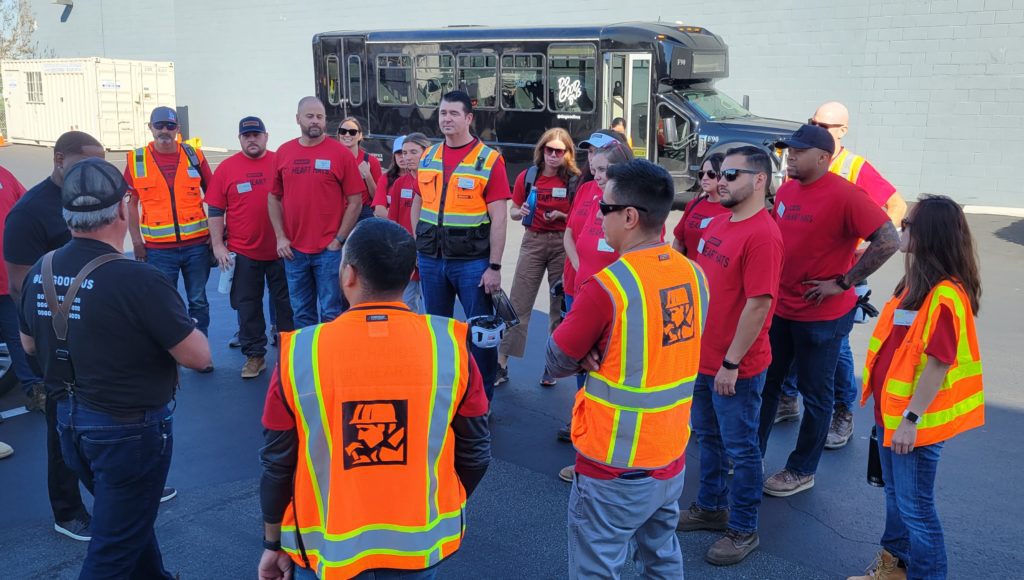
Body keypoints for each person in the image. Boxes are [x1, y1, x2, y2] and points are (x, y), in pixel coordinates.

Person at [257, 218, 491, 580]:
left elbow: (277, 463)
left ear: (348, 273)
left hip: (326, 551)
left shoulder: (300, 351)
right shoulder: (450, 347)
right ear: (411, 272)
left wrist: (274, 544)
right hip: (419, 546)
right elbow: (475, 451)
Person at [19, 158, 211, 577]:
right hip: (129, 431)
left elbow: (29, 344)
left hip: (70, 425)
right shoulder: (137, 279)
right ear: (124, 209)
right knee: (112, 550)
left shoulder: (41, 269)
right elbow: (199, 357)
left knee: (125, 520)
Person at [546, 159, 708, 579]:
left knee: (596, 567)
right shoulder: (693, 275)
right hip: (670, 455)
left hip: (614, 462)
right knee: (662, 557)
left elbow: (555, 359)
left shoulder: (608, 286)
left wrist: (586, 352)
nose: (599, 217)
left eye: (605, 208)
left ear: (630, 217)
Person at [757, 124, 899, 496]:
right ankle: (749, 456)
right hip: (782, 309)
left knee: (816, 395)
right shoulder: (787, 190)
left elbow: (888, 239)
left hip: (822, 317)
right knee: (768, 386)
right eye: (789, 150)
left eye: (799, 152)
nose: (790, 156)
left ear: (823, 158)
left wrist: (843, 282)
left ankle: (801, 470)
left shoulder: (846, 195)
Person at [848, 195, 983, 580]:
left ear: (930, 234)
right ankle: (894, 567)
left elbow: (940, 363)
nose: (900, 228)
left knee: (917, 510)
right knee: (898, 498)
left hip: (912, 423)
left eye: (907, 224)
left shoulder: (944, 294)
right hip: (892, 415)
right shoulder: (915, 283)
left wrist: (910, 419)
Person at [777, 101, 911, 443]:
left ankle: (842, 414)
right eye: (813, 122)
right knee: (787, 358)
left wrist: (852, 264)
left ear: (840, 133)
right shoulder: (790, 183)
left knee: (833, 355)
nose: (817, 127)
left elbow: (894, 215)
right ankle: (788, 400)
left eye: (824, 125)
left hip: (835, 285)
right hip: (790, 298)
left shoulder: (853, 170)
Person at [677, 146, 784, 566]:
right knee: (708, 439)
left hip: (734, 367)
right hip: (703, 357)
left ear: (760, 180)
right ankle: (710, 508)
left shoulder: (763, 234)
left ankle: (742, 530)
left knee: (741, 451)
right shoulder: (720, 221)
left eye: (732, 175)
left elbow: (759, 305)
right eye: (720, 173)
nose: (721, 181)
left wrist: (732, 363)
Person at [3, 131, 106, 540]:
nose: (94, 171)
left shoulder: (90, 198)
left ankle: (120, 493)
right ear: (59, 159)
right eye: (86, 162)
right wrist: (44, 341)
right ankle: (68, 512)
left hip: (98, 330)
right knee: (62, 423)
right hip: (59, 338)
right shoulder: (30, 212)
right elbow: (18, 286)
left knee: (112, 416)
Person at [409, 91, 511, 401]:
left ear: (468, 118)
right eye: (442, 113)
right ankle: (445, 396)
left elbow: (500, 218)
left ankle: (482, 400)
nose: (446, 119)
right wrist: (418, 246)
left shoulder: (489, 159)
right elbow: (417, 202)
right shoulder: (428, 157)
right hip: (431, 260)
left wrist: (494, 267)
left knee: (481, 335)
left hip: (472, 264)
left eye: (454, 113)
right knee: (438, 333)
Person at [556, 131, 633, 448]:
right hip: (581, 289)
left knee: (606, 362)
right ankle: (582, 417)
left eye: (604, 170)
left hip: (611, 297)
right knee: (581, 359)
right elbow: (570, 235)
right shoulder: (587, 189)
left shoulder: (629, 197)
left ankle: (604, 429)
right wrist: (579, 270)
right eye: (594, 166)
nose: (597, 175)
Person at [208, 116, 295, 379]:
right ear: (240, 139)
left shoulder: (281, 161)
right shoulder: (226, 168)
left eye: (257, 134)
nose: (252, 139)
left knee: (286, 305)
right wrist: (218, 246)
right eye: (247, 136)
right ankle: (255, 356)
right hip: (244, 252)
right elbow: (215, 209)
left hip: (283, 250)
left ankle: (289, 356)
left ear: (266, 137)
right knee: (248, 307)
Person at [268, 97, 365, 328]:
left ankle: (329, 363)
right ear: (298, 119)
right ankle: (307, 363)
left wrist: (339, 239)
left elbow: (355, 201)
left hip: (328, 251)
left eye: (320, 117)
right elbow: (273, 197)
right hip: (293, 251)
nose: (315, 121)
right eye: (309, 116)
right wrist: (281, 236)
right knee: (301, 314)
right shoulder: (283, 152)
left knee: (332, 313)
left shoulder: (339, 154)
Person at [125, 107, 215, 354]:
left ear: (177, 129)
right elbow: (130, 205)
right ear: (150, 127)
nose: (165, 131)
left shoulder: (194, 156)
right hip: (158, 251)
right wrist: (136, 242)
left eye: (170, 126)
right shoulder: (136, 159)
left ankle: (199, 350)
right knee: (164, 303)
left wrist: (216, 238)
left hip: (196, 246)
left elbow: (216, 197)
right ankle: (170, 353)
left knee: (198, 301)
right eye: (159, 125)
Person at [497, 128, 580, 387]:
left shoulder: (575, 180)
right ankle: (501, 364)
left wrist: (562, 217)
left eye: (559, 151)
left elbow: (583, 218)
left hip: (562, 244)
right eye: (549, 150)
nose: (554, 156)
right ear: (541, 150)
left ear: (568, 154)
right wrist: (518, 211)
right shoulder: (528, 176)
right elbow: (512, 211)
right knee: (518, 303)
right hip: (532, 241)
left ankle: (551, 366)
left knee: (558, 308)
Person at [372, 133, 431, 312]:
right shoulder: (399, 184)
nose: (407, 157)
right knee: (406, 306)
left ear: (426, 153)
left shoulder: (434, 181)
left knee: (431, 308)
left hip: (430, 254)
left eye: (413, 152)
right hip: (407, 256)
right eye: (404, 153)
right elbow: (393, 224)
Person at [0, 162, 27, 460]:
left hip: (7, 282)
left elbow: (25, 208)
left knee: (19, 339)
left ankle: (35, 393)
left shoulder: (4, 174)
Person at [671, 152, 729, 257]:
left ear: (723, 175)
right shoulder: (693, 204)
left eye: (711, 174)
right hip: (690, 272)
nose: (705, 178)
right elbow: (678, 242)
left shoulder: (731, 210)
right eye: (702, 174)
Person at [337, 116, 383, 220]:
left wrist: (368, 176)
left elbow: (378, 198)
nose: (347, 135)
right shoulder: (332, 161)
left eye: (352, 132)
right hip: (337, 213)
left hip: (361, 215)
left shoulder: (371, 161)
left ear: (360, 136)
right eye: (343, 131)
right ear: (339, 134)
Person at [371, 135, 407, 219]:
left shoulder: (420, 178)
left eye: (405, 152)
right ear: (394, 156)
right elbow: (379, 210)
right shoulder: (386, 178)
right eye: (398, 153)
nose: (402, 156)